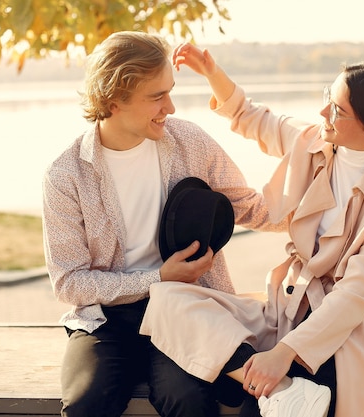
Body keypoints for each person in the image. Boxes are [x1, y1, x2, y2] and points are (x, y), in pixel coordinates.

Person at [139, 43, 364, 417]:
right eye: (328, 96)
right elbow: (251, 116)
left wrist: (284, 353)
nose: (323, 111)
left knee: (258, 410)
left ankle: (278, 387)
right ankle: (279, 386)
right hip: (289, 303)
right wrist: (212, 72)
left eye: (337, 109)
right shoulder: (311, 141)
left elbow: (358, 291)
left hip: (348, 322)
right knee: (168, 298)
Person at [41, 31, 286, 417]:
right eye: (156, 96)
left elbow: (250, 208)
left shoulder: (190, 141)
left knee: (188, 398)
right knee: (87, 402)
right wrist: (157, 279)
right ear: (112, 101)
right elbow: (69, 282)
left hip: (187, 311)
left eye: (170, 92)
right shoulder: (66, 175)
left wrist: (332, 218)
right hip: (105, 321)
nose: (169, 107)